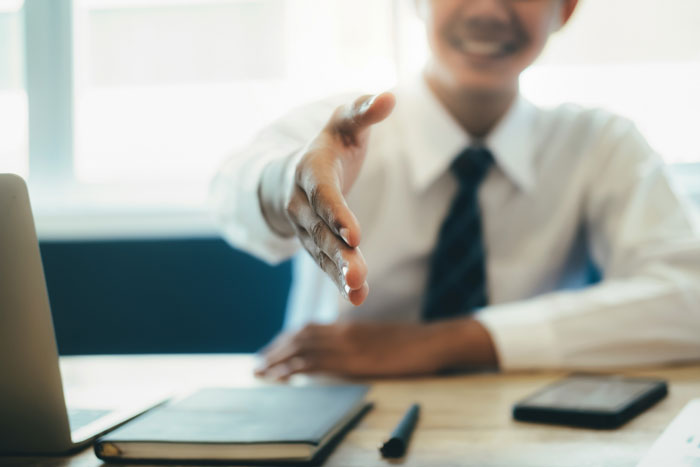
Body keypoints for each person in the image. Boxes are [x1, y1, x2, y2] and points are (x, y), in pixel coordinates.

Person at [210, 0, 700, 379]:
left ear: (566, 8)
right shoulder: (340, 129)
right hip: (333, 410)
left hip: (527, 428)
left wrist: (449, 341)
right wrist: (290, 184)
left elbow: (690, 296)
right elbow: (231, 190)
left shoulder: (598, 145)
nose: (488, 9)